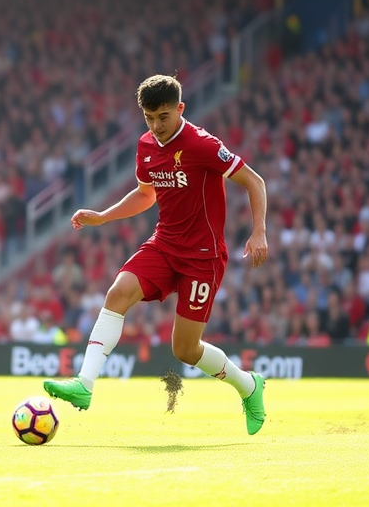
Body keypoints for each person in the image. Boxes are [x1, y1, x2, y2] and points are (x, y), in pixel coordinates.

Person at [43, 75, 270, 435]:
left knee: (185, 349)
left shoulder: (202, 144)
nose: (156, 126)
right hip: (164, 244)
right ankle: (84, 385)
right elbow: (145, 194)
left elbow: (254, 181)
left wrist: (259, 232)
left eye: (163, 116)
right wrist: (103, 216)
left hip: (202, 257)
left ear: (180, 109)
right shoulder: (146, 144)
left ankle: (249, 386)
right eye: (149, 118)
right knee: (117, 293)